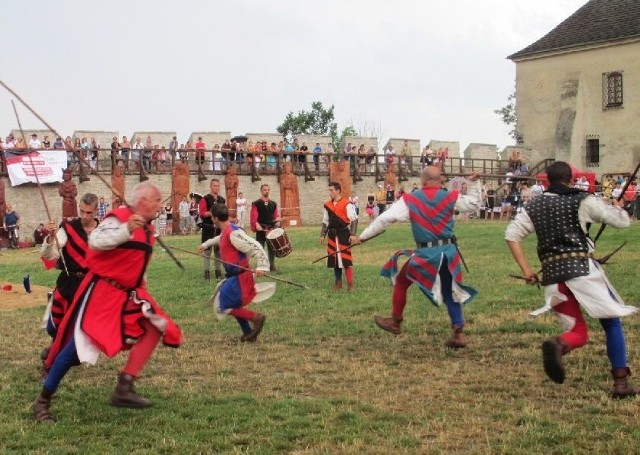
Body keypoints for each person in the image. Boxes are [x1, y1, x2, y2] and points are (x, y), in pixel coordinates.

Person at [34, 182, 183, 423]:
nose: (160, 204)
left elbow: (135, 264)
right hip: (102, 295)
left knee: (155, 327)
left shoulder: (148, 228)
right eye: (156, 200)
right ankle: (42, 401)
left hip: (127, 295)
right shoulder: (120, 218)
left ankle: (124, 386)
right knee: (74, 349)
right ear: (143, 201)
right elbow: (97, 241)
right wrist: (126, 229)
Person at [505, 161, 639, 398]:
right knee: (611, 322)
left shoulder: (534, 205)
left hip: (554, 278)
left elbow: (511, 235)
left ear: (547, 181)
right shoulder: (583, 199)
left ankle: (559, 344)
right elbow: (621, 222)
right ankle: (621, 383)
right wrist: (619, 207)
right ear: (571, 179)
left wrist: (527, 270)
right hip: (583, 272)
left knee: (578, 332)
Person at [351, 166, 481, 347]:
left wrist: (363, 237)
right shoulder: (450, 197)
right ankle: (458, 333)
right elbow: (474, 204)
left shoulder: (411, 199)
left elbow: (384, 219)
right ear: (439, 180)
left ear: (424, 180)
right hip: (448, 253)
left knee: (402, 282)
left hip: (426, 255)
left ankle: (395, 322)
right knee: (450, 290)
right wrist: (474, 183)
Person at [198, 205, 273, 342]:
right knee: (234, 305)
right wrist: (206, 244)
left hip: (241, 277)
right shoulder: (227, 230)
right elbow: (220, 238)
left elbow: (255, 246)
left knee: (223, 305)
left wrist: (262, 266)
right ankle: (248, 333)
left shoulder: (233, 233)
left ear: (215, 218)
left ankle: (256, 318)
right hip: (236, 276)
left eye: (212, 218)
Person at [39, 193, 99, 366]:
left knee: (77, 326)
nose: (85, 216)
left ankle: (62, 354)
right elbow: (50, 255)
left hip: (89, 286)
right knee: (53, 326)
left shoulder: (103, 230)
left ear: (96, 211)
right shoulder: (69, 228)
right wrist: (52, 237)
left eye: (89, 212)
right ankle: (56, 347)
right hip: (68, 282)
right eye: (82, 211)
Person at [320, 182, 358, 291]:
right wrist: (322, 235)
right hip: (332, 234)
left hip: (343, 234)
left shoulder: (347, 203)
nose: (330, 192)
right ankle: (338, 283)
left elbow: (354, 219)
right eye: (329, 190)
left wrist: (353, 234)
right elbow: (325, 221)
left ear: (338, 191)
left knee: (345, 259)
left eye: (331, 190)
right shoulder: (327, 205)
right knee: (334, 259)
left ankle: (350, 284)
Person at [199, 179, 226, 280]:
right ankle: (206, 274)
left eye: (218, 186)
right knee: (207, 251)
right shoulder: (205, 199)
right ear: (211, 186)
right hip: (208, 227)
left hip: (219, 229)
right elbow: (202, 214)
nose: (217, 188)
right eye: (215, 186)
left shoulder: (222, 200)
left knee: (218, 252)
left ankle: (218, 273)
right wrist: (212, 213)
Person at [250, 184, 281, 272]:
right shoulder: (256, 203)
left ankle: (271, 265)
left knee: (271, 248)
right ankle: (261, 266)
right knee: (260, 248)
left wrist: (278, 219)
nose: (266, 191)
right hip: (261, 228)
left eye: (268, 190)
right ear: (261, 191)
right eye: (264, 190)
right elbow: (254, 216)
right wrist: (256, 224)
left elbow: (275, 216)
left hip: (271, 229)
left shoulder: (273, 204)